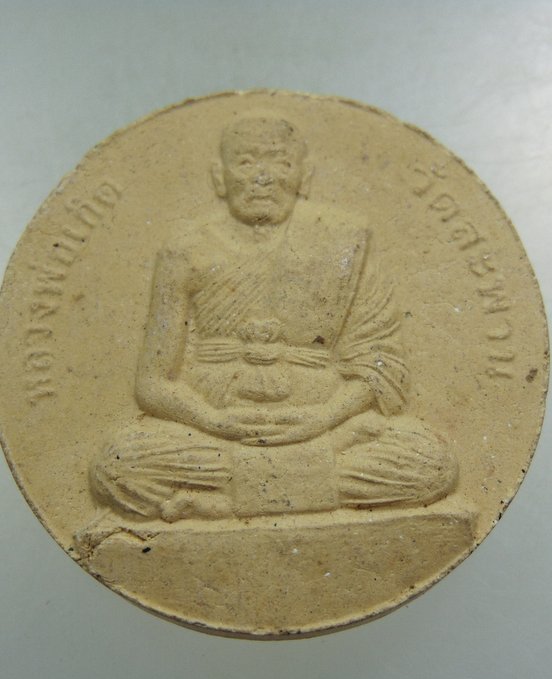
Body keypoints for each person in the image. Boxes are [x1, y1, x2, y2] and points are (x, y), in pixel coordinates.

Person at [90, 113, 457, 521]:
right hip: (220, 435)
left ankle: (222, 502)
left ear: (304, 176)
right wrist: (214, 421)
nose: (262, 178)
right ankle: (301, 485)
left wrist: (321, 420)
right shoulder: (186, 249)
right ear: (219, 177)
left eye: (279, 163)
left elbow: (379, 367)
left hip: (324, 426)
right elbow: (153, 383)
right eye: (246, 162)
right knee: (118, 466)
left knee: (432, 463)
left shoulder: (344, 241)